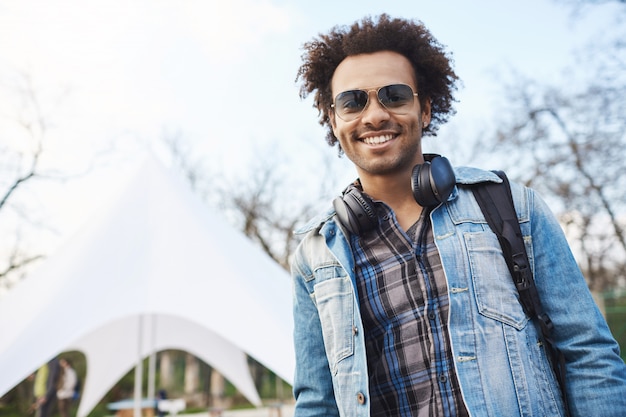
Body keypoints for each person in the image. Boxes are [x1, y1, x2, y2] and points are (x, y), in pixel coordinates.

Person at [291, 14, 626, 417]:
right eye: (352, 101)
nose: (374, 115)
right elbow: (317, 403)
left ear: (426, 109)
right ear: (333, 119)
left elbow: (588, 355)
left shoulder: (513, 207)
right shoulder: (315, 256)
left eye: (394, 96)